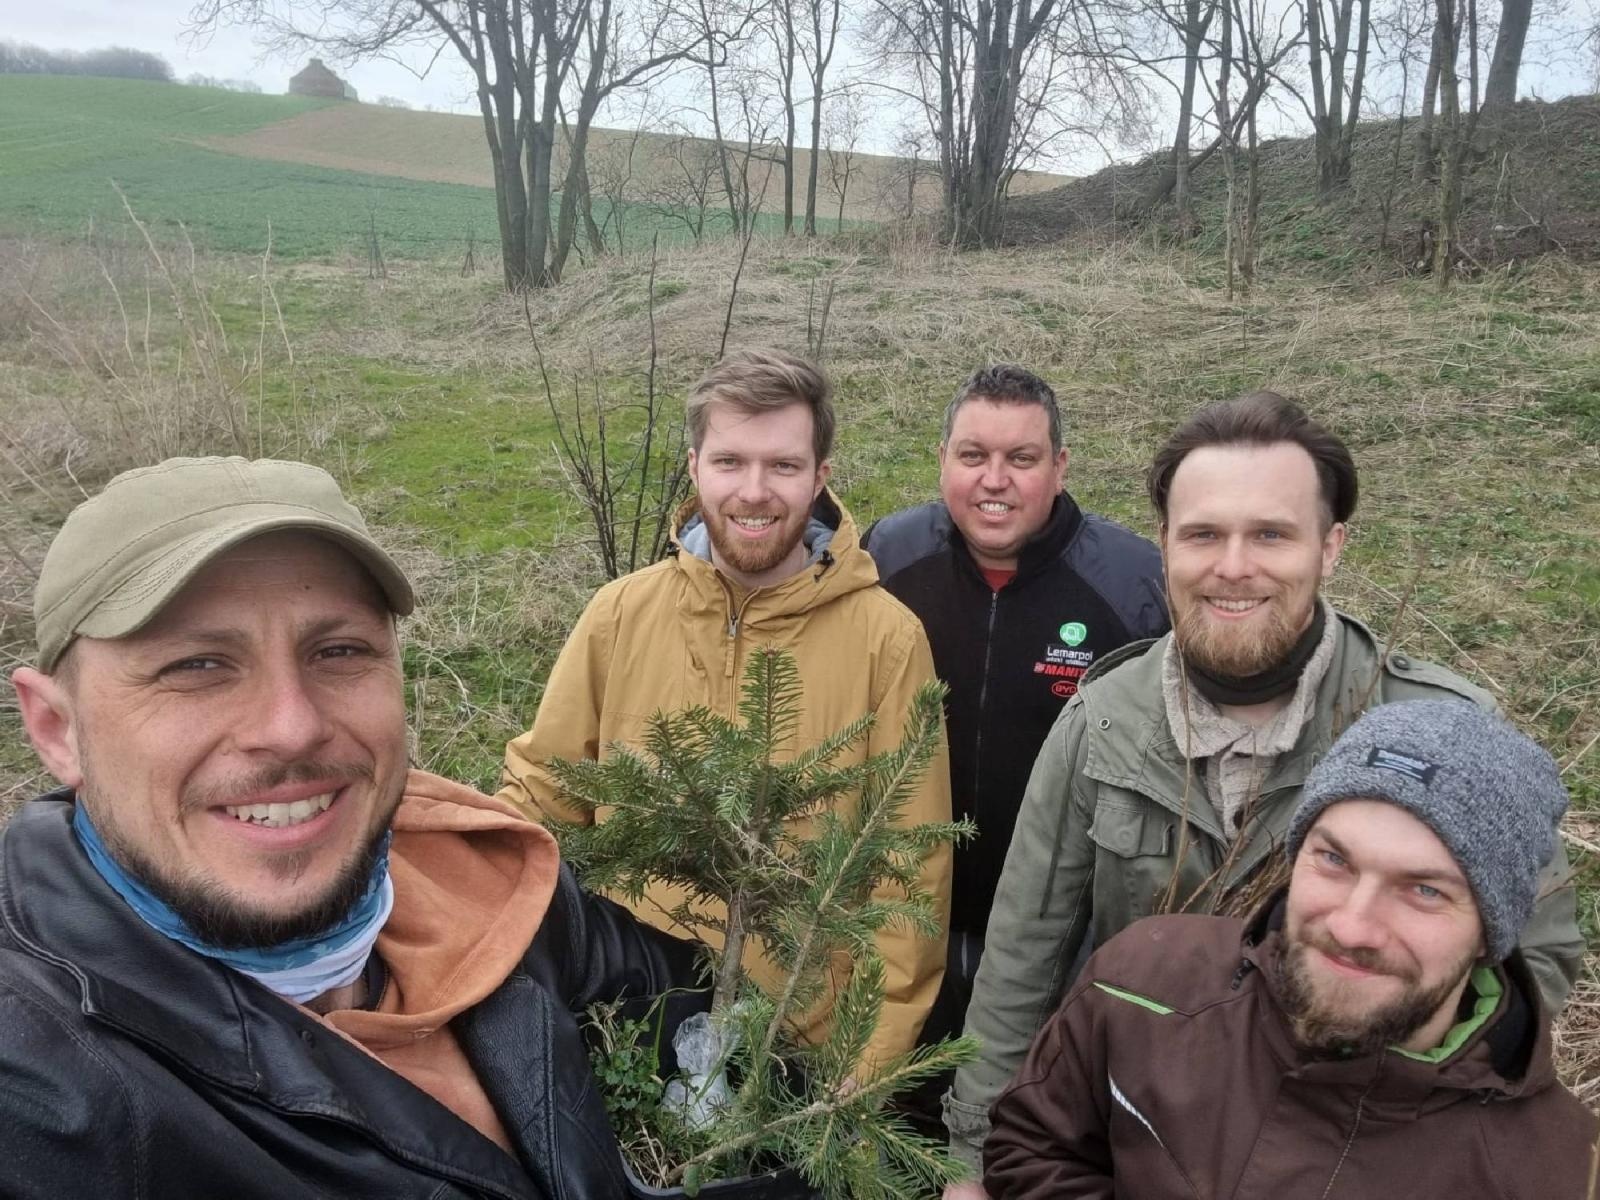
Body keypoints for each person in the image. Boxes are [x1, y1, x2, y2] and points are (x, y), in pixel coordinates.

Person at [3, 456, 700, 1198]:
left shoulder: (477, 872)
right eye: (197, 664)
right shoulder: (42, 1090)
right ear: (57, 728)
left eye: (339, 651)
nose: (292, 728)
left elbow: (694, 1013)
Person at [943, 391, 1582, 1185]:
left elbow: (1541, 956)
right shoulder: (1101, 722)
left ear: (1330, 546)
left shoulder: (1441, 734)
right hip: (1141, 1140)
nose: (1233, 567)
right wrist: (971, 1161)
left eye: (1272, 535)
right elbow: (1021, 958)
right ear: (1165, 546)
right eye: (1203, 534)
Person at [498, 348, 952, 1070]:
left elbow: (910, 874)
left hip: (792, 1048)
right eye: (730, 462)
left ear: (821, 477)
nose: (754, 491)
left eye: (783, 466)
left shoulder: (888, 642)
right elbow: (544, 795)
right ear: (694, 467)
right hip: (620, 1027)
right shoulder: (619, 615)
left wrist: (854, 1084)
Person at [984, 700, 1598, 1198]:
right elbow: (1035, 1147)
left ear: (1492, 930)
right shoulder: (1141, 985)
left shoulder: (1552, 1173)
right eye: (1334, 860)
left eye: (1424, 890)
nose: (1353, 927)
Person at [862, 364, 1166, 1105]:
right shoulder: (889, 559)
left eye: (1020, 459)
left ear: (1059, 467)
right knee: (899, 1113)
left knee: (1024, 1120)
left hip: (1054, 937)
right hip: (900, 921)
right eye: (972, 456)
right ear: (942, 459)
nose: (993, 481)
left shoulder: (1132, 584)